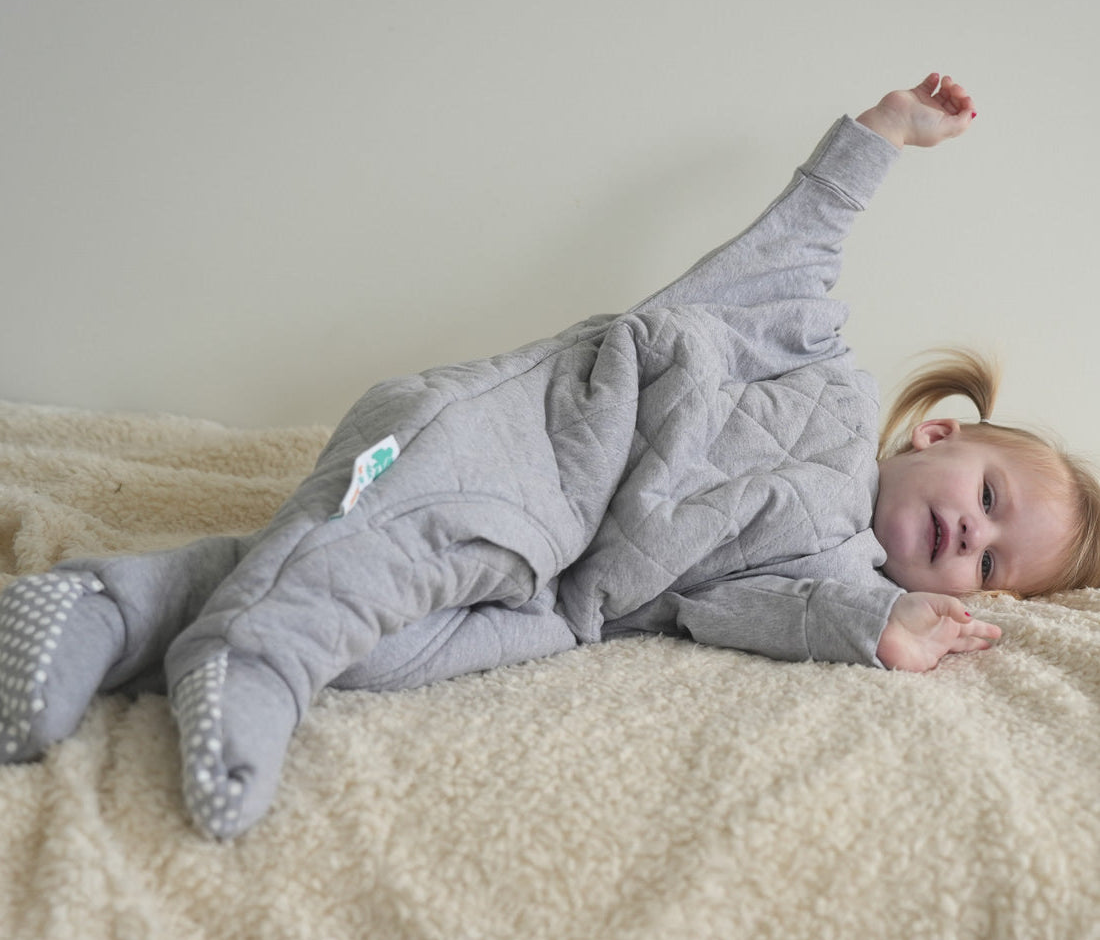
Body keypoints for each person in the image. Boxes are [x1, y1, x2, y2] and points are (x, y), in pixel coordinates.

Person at [2, 73, 1097, 840]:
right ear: (938, 434)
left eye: (991, 562)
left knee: (385, 641)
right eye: (990, 497)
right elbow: (803, 231)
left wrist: (875, 626)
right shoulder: (805, 350)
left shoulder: (834, 577)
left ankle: (109, 606)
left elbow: (736, 611)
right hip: (522, 443)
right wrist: (884, 131)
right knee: (389, 553)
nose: (972, 534)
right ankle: (250, 664)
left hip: (554, 592)